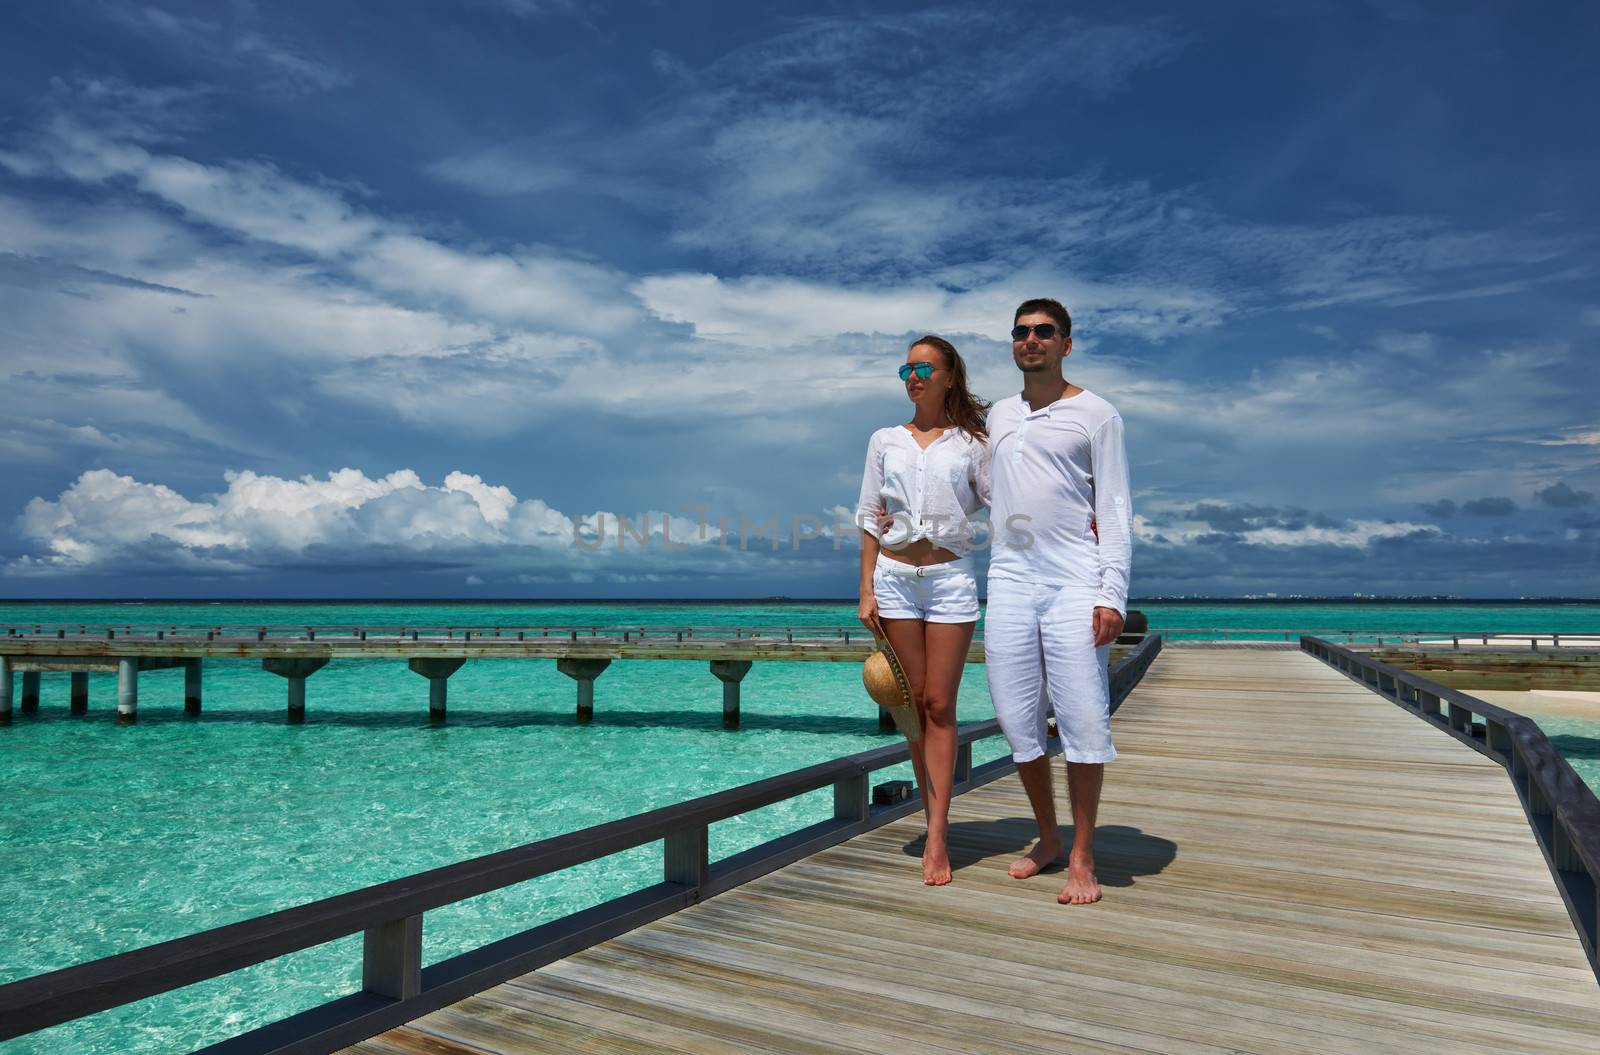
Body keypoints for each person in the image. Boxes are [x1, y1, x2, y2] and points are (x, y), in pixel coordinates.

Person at [984, 298, 1131, 905]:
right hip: (1009, 582)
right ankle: (1047, 837)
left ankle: (1083, 854)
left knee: (1083, 721)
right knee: (1019, 723)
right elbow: (981, 493)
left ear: (1065, 344)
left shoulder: (1097, 414)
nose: (1031, 340)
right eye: (1021, 332)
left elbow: (1116, 510)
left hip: (1075, 581)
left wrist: (1112, 594)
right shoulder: (998, 415)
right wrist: (903, 520)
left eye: (1044, 332)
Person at [856, 335, 991, 886]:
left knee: (941, 703)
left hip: (951, 580)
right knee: (912, 707)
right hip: (893, 580)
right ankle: (931, 822)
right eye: (906, 368)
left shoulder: (974, 443)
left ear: (949, 376)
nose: (913, 376)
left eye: (924, 368)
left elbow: (1005, 500)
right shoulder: (885, 439)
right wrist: (865, 588)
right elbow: (869, 513)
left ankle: (938, 831)